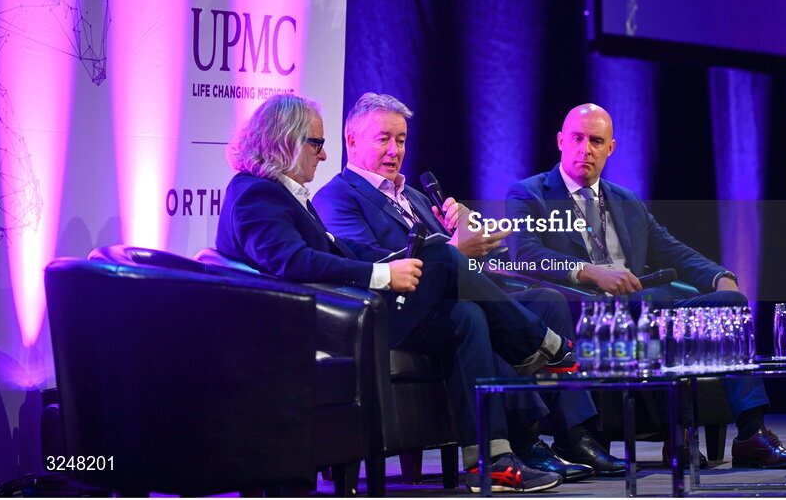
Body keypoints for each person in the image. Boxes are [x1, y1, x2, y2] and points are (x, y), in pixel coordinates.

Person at [216, 93, 575, 492]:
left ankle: (490, 462)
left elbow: (342, 250)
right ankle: (544, 347)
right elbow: (292, 261)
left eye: (401, 139)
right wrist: (384, 273)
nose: (323, 155)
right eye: (317, 144)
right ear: (285, 140)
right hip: (328, 326)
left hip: (349, 314)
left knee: (466, 316)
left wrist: (400, 260)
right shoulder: (256, 192)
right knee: (445, 257)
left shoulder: (286, 195)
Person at [312, 92, 624, 479]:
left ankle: (572, 436)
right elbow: (373, 266)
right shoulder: (337, 197)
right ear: (352, 140)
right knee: (475, 312)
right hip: (395, 312)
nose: (395, 150)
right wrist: (456, 248)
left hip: (444, 300)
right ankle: (527, 436)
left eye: (402, 139)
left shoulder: (414, 197)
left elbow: (461, 264)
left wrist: (474, 238)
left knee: (546, 299)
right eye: (383, 139)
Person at [505, 103, 786, 469]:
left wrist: (719, 276)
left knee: (729, 303)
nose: (585, 149)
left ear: (610, 148)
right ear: (561, 141)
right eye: (577, 139)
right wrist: (591, 272)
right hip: (586, 315)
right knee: (655, 300)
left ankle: (751, 433)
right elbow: (525, 253)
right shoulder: (529, 193)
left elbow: (671, 248)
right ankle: (679, 435)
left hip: (645, 306)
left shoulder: (626, 201)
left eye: (596, 141)